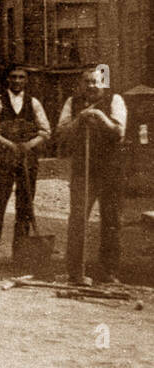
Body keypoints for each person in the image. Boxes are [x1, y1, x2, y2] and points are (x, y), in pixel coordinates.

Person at [0, 66, 51, 271]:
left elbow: (45, 131)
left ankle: (21, 258)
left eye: (21, 77)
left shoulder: (34, 103)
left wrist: (28, 146)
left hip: (28, 162)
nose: (17, 81)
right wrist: (10, 145)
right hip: (4, 161)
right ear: (7, 79)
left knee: (25, 209)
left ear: (26, 80)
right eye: (13, 77)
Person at [56, 66, 127, 286]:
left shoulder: (115, 100)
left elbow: (118, 132)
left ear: (103, 83)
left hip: (110, 171)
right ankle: (75, 272)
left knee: (111, 220)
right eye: (87, 81)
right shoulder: (72, 103)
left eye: (96, 81)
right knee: (78, 220)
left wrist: (97, 115)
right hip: (82, 170)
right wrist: (81, 118)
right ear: (81, 84)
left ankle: (108, 272)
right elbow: (62, 133)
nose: (91, 86)